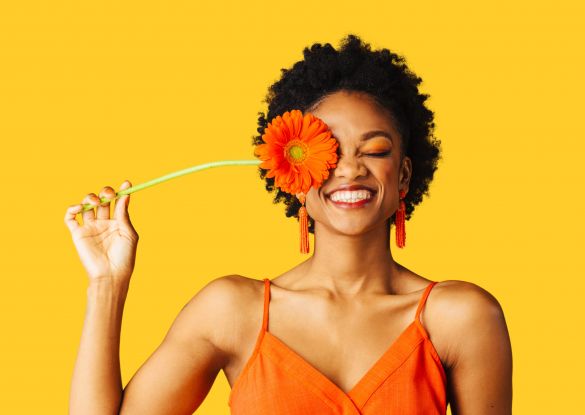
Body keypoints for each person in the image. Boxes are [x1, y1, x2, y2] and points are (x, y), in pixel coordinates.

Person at [66, 34, 512, 414]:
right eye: (328, 153)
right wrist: (107, 283)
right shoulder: (232, 311)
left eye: (374, 151)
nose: (350, 169)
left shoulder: (461, 318)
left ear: (405, 177)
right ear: (292, 176)